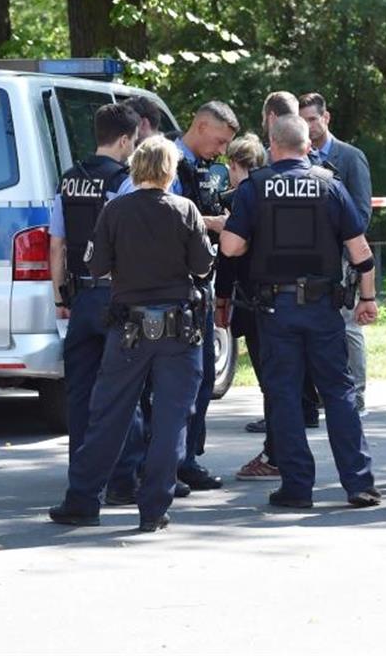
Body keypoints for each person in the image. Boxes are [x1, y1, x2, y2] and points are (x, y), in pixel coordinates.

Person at [49, 135, 214, 531]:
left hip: (128, 330)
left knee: (108, 417)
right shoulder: (185, 210)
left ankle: (83, 501)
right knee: (171, 420)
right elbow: (203, 266)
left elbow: (96, 265)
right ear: (170, 171)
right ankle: (154, 509)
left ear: (136, 166)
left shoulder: (115, 211)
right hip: (179, 329)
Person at [220, 115, 380, 509]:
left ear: (272, 146)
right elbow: (360, 253)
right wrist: (368, 298)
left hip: (276, 309)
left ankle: (296, 487)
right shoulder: (330, 185)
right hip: (324, 308)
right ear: (308, 146)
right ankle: (358, 483)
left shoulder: (254, 188)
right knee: (338, 392)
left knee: (285, 395)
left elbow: (230, 248)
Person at [49, 101, 156, 506]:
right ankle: (122, 479)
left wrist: (61, 295)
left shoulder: (69, 179)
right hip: (117, 297)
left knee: (79, 394)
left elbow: (56, 244)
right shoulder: (125, 181)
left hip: (79, 298)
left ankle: (83, 476)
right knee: (124, 391)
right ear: (127, 140)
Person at [242, 91, 323, 434]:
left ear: (272, 122)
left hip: (272, 292)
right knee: (326, 380)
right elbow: (355, 238)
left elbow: (234, 244)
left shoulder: (260, 179)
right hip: (319, 291)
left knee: (278, 375)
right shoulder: (325, 176)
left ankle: (281, 451)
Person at [170, 100, 239, 491]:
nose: (222, 150)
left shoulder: (203, 169)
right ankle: (175, 460)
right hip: (178, 288)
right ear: (199, 126)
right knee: (183, 379)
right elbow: (169, 217)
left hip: (202, 285)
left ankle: (189, 455)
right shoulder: (170, 164)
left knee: (201, 378)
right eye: (219, 140)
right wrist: (211, 222)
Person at [298, 93, 372, 415]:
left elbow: (362, 213)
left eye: (313, 119)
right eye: (302, 120)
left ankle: (356, 396)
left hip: (342, 256)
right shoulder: (298, 159)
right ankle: (319, 396)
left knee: (348, 324)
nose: (309, 126)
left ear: (326, 118)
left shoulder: (350, 157)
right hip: (307, 261)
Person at [214, 133, 280, 480]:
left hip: (252, 298)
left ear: (236, 166)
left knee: (269, 380)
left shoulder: (242, 197)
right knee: (280, 379)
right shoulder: (275, 190)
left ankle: (275, 452)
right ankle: (281, 449)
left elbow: (228, 256)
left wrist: (221, 301)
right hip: (281, 296)